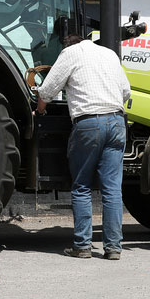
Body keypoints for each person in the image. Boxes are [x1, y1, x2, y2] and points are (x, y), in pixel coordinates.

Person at [35, 33, 131, 260]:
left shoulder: (70, 53)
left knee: (82, 186)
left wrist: (39, 111)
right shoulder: (109, 53)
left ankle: (83, 246)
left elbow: (47, 91)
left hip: (88, 124)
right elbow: (126, 91)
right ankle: (114, 248)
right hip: (117, 121)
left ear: (67, 44)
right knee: (112, 189)